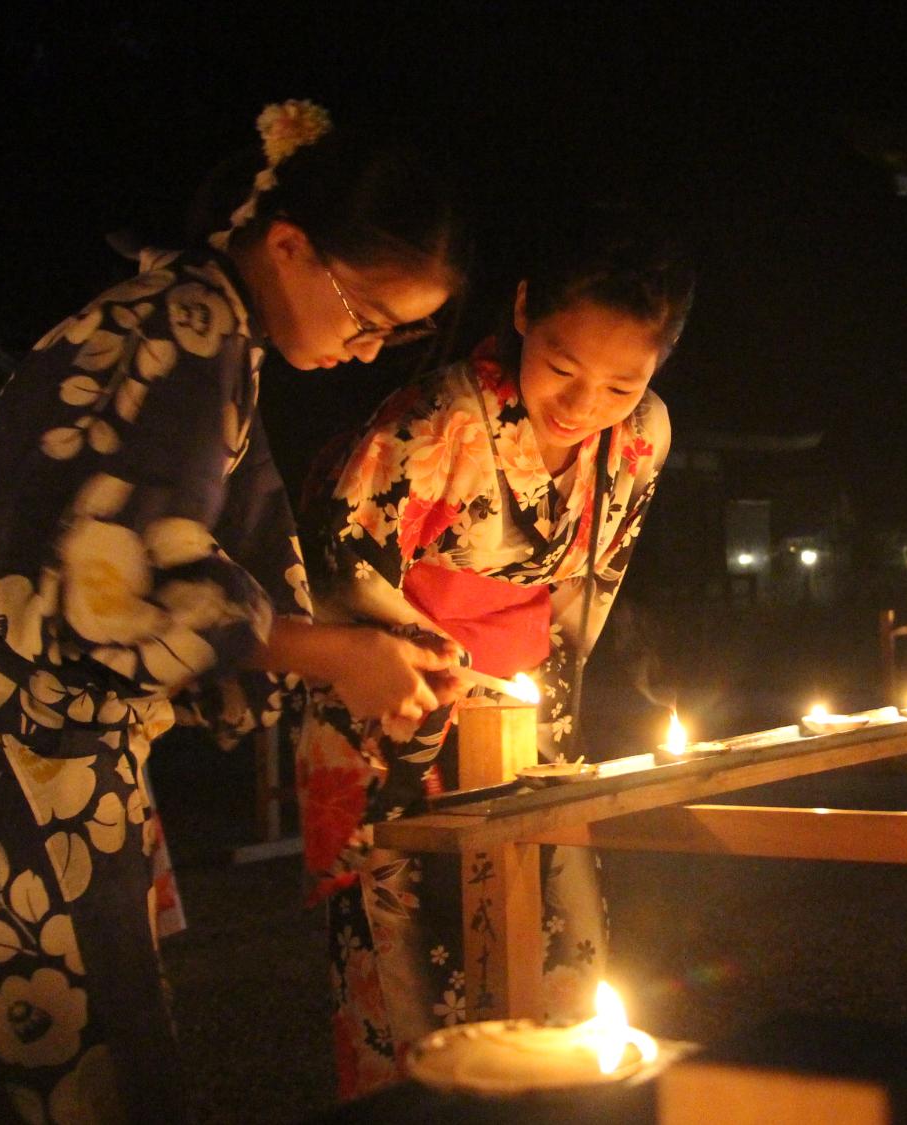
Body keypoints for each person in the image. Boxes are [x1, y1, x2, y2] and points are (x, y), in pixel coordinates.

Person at [0, 101, 466, 1123]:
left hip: (26, 740)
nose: (369, 349)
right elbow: (105, 574)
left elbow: (179, 550)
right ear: (287, 245)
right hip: (16, 748)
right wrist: (332, 654)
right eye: (368, 317)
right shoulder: (180, 328)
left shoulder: (198, 324)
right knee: (62, 1056)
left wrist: (356, 633)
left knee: (72, 1039)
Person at [297, 213, 692, 1099]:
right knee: (402, 972)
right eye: (561, 366)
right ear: (522, 310)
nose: (584, 404)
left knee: (558, 947)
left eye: (622, 384)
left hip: (526, 716)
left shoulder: (643, 437)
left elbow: (587, 593)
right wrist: (439, 670)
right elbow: (335, 566)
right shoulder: (439, 419)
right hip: (390, 715)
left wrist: (538, 704)